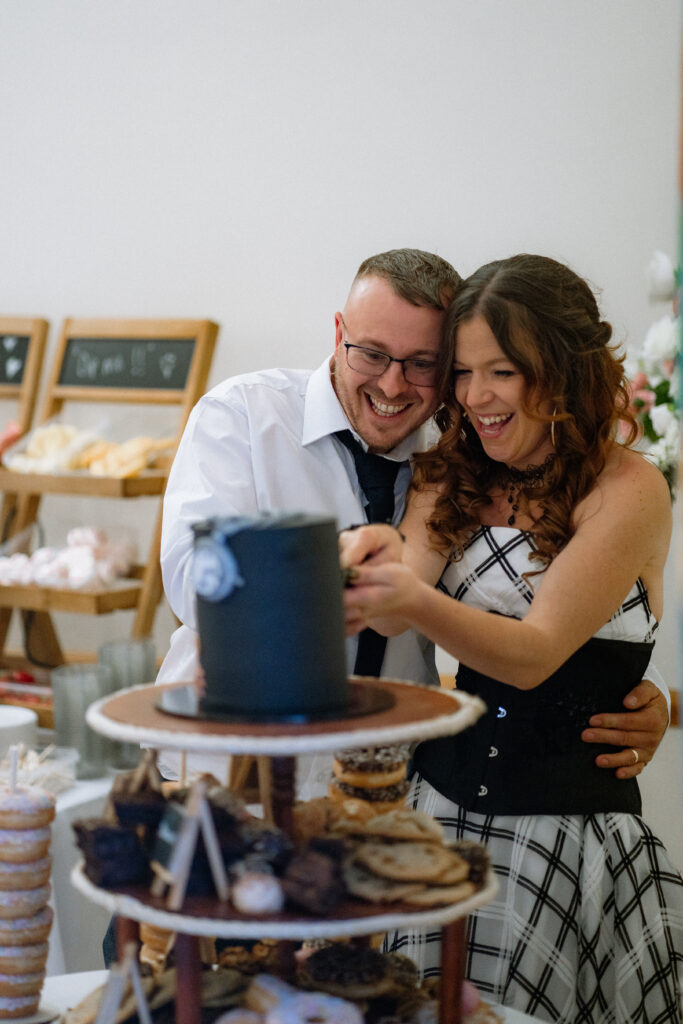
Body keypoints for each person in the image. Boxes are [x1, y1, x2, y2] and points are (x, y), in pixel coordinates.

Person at [156, 247, 669, 784]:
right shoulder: (243, 416)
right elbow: (199, 587)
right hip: (235, 769)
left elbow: (570, 604)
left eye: (423, 364)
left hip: (396, 780)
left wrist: (632, 681)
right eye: (372, 354)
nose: (394, 385)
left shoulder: (457, 450)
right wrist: (330, 572)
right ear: (338, 335)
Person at [340, 253, 683, 1022]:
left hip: (565, 843)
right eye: (461, 372)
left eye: (502, 372)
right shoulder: (448, 472)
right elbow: (396, 606)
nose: (474, 397)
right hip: (436, 819)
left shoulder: (629, 489)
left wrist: (406, 596)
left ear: (561, 371)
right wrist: (365, 565)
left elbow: (532, 656)